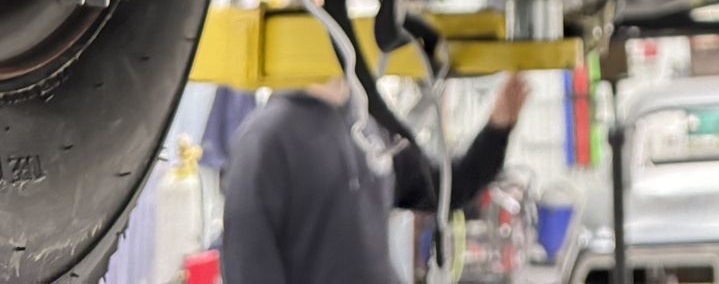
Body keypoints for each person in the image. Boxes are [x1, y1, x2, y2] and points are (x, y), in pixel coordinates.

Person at [219, 72, 531, 283]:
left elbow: (445, 189)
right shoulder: (266, 138)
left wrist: (497, 129)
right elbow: (248, 265)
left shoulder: (367, 129)